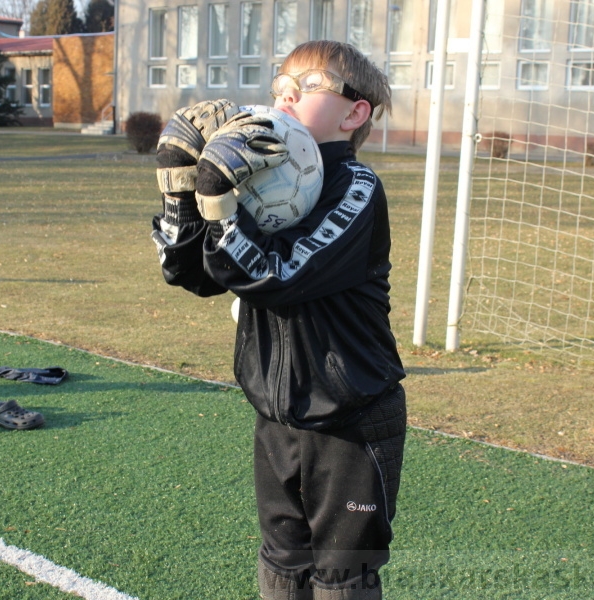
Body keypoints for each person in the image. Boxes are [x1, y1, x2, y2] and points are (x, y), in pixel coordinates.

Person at [151, 40, 407, 600]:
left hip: (351, 419)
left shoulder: (357, 189)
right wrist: (182, 187)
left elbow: (276, 273)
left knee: (343, 575)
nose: (285, 97)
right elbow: (190, 273)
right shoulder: (262, 182)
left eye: (308, 86)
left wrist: (220, 200)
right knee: (282, 562)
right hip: (276, 414)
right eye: (279, 89)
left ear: (354, 112)